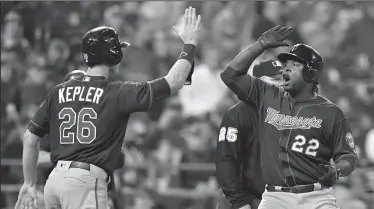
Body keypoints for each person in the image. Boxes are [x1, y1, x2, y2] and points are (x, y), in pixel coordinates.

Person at [15, 6, 201, 209]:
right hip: (84, 183)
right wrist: (190, 44)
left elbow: (29, 138)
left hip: (55, 181)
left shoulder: (57, 91)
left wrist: (29, 183)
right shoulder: (116, 92)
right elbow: (173, 81)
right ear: (113, 54)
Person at [220, 25, 358, 209]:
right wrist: (260, 45)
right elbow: (230, 75)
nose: (286, 69)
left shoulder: (331, 112)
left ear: (311, 72)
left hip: (317, 197)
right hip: (275, 197)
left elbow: (348, 156)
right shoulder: (267, 96)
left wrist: (337, 170)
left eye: (295, 65)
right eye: (285, 65)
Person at [215, 60, 283, 209]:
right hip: (243, 201)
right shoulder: (238, 114)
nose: (282, 84)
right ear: (256, 82)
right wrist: (240, 203)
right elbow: (226, 161)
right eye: (276, 79)